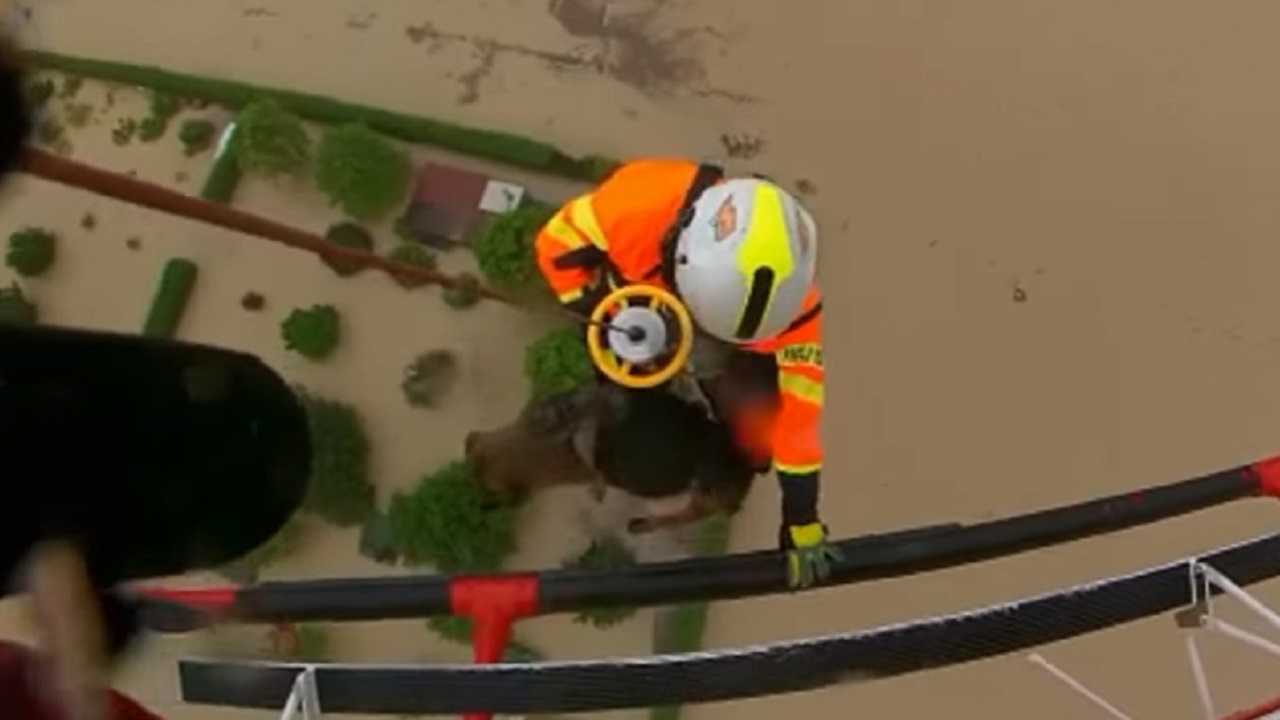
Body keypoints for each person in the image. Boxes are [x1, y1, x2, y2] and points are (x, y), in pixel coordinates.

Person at [534, 158, 842, 589]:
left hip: (707, 320)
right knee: (623, 392)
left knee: (755, 419)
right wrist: (590, 306)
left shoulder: (796, 308)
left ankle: (732, 450)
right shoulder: (628, 210)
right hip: (634, 303)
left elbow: (799, 422)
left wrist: (802, 520)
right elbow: (553, 246)